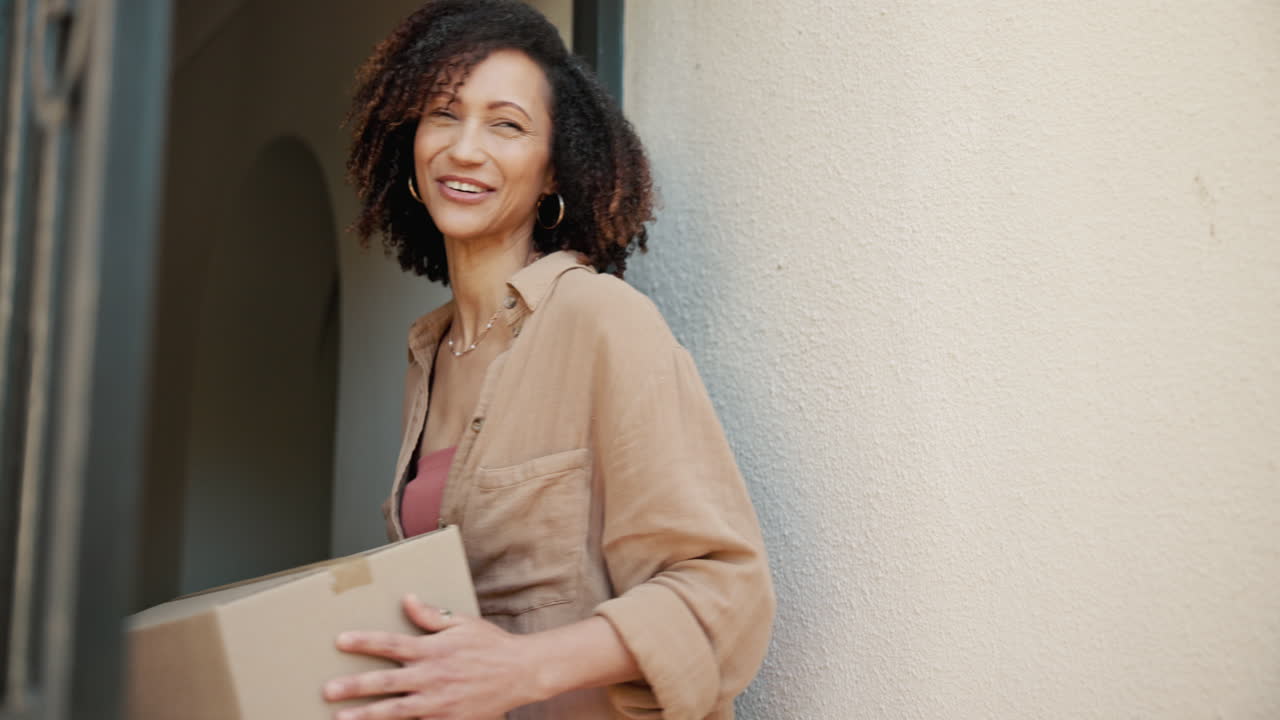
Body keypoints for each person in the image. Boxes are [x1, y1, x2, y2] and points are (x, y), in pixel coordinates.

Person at [323, 2, 774, 718]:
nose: (465, 148)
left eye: (506, 124)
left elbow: (725, 590)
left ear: (555, 171)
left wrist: (521, 668)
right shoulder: (428, 350)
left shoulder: (601, 320)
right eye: (444, 114)